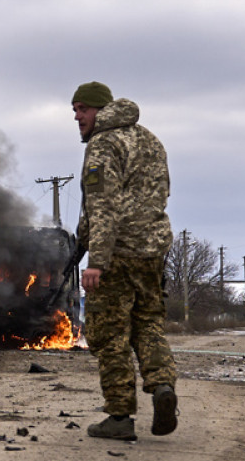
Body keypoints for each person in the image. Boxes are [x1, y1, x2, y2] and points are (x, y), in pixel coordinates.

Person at [71, 81, 178, 441]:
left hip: (117, 253)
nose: (76, 115)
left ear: (101, 109)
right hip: (152, 250)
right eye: (74, 109)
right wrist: (80, 240)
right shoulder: (149, 139)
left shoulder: (104, 143)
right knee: (148, 322)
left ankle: (119, 416)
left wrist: (95, 260)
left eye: (83, 108)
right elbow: (160, 193)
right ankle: (162, 385)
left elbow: (103, 206)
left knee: (109, 334)